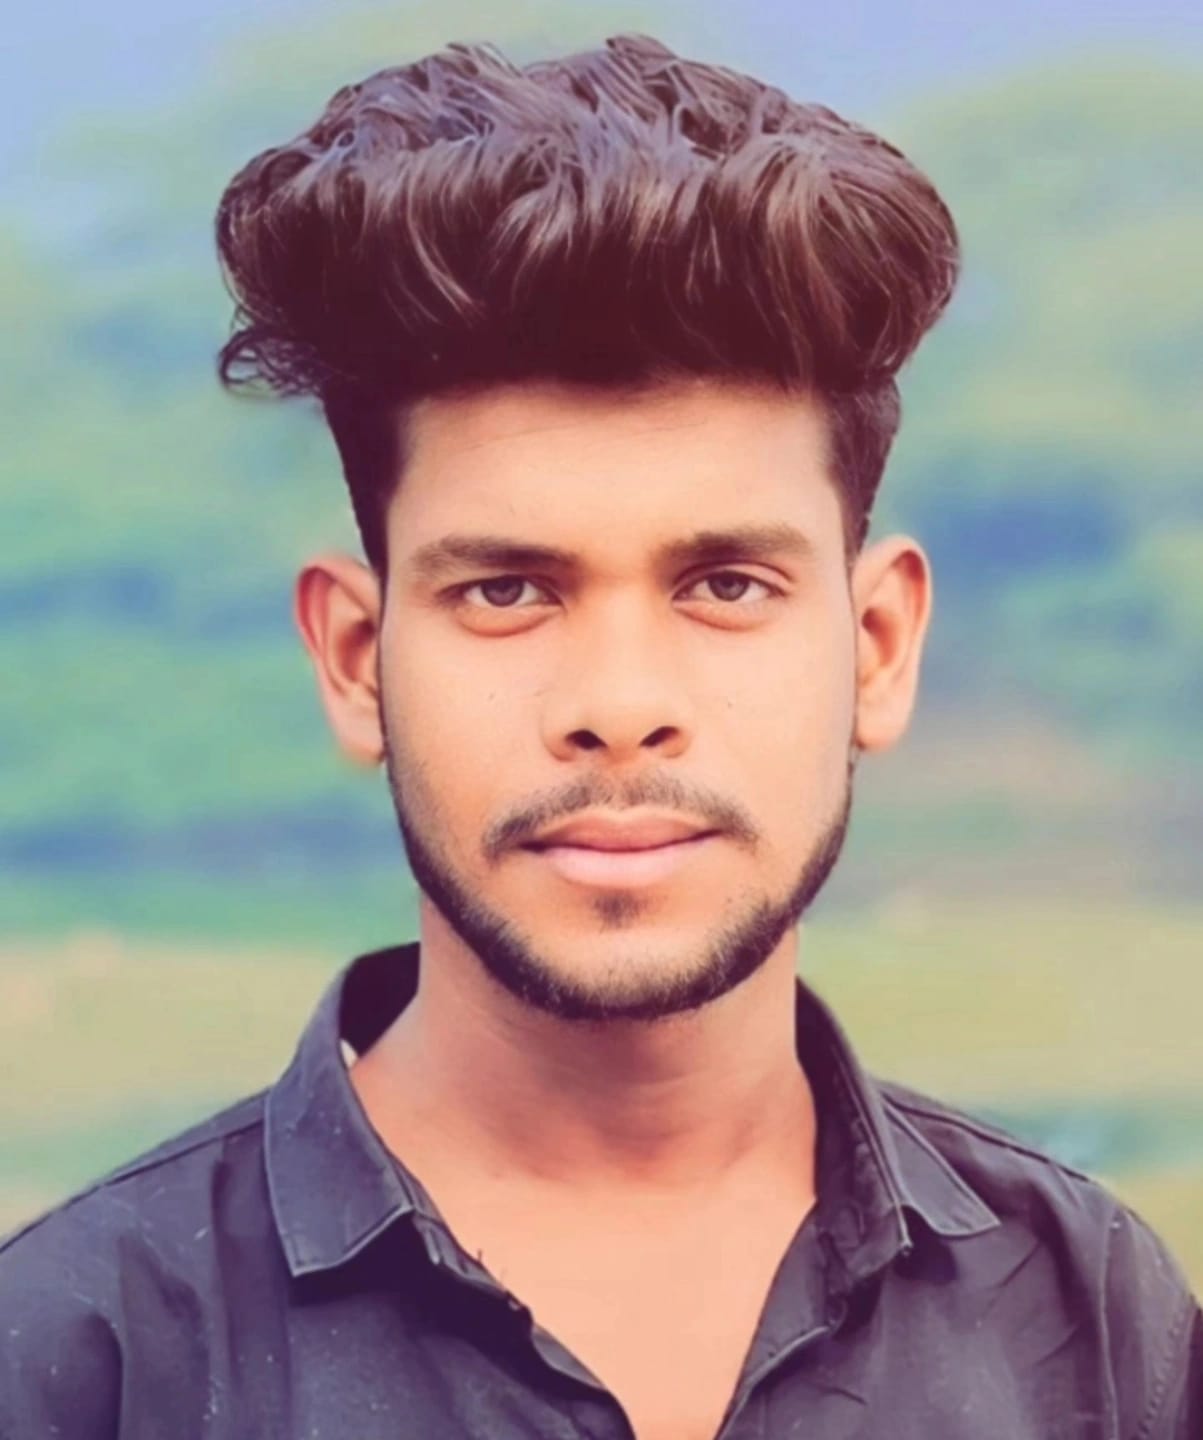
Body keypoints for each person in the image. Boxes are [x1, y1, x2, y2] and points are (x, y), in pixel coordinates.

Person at [1, 32, 1198, 1440]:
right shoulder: (82, 1358)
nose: (620, 702)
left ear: (877, 647)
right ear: (355, 659)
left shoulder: (1096, 1321)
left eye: (726, 586)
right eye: (507, 591)